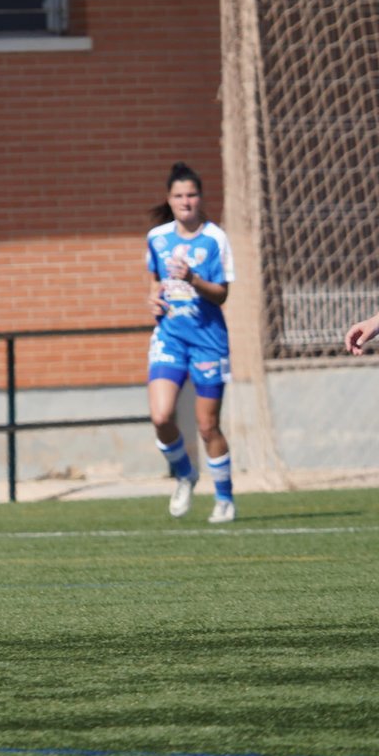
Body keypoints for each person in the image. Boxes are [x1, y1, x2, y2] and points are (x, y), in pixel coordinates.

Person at [145, 162, 237, 524]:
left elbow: (222, 295)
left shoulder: (215, 239)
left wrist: (194, 279)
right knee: (161, 416)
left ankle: (225, 499)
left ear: (200, 198)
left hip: (208, 342)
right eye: (179, 196)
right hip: (170, 336)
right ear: (169, 200)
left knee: (206, 426)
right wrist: (153, 299)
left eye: (192, 194)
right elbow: (154, 281)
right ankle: (184, 473)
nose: (186, 201)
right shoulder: (157, 238)